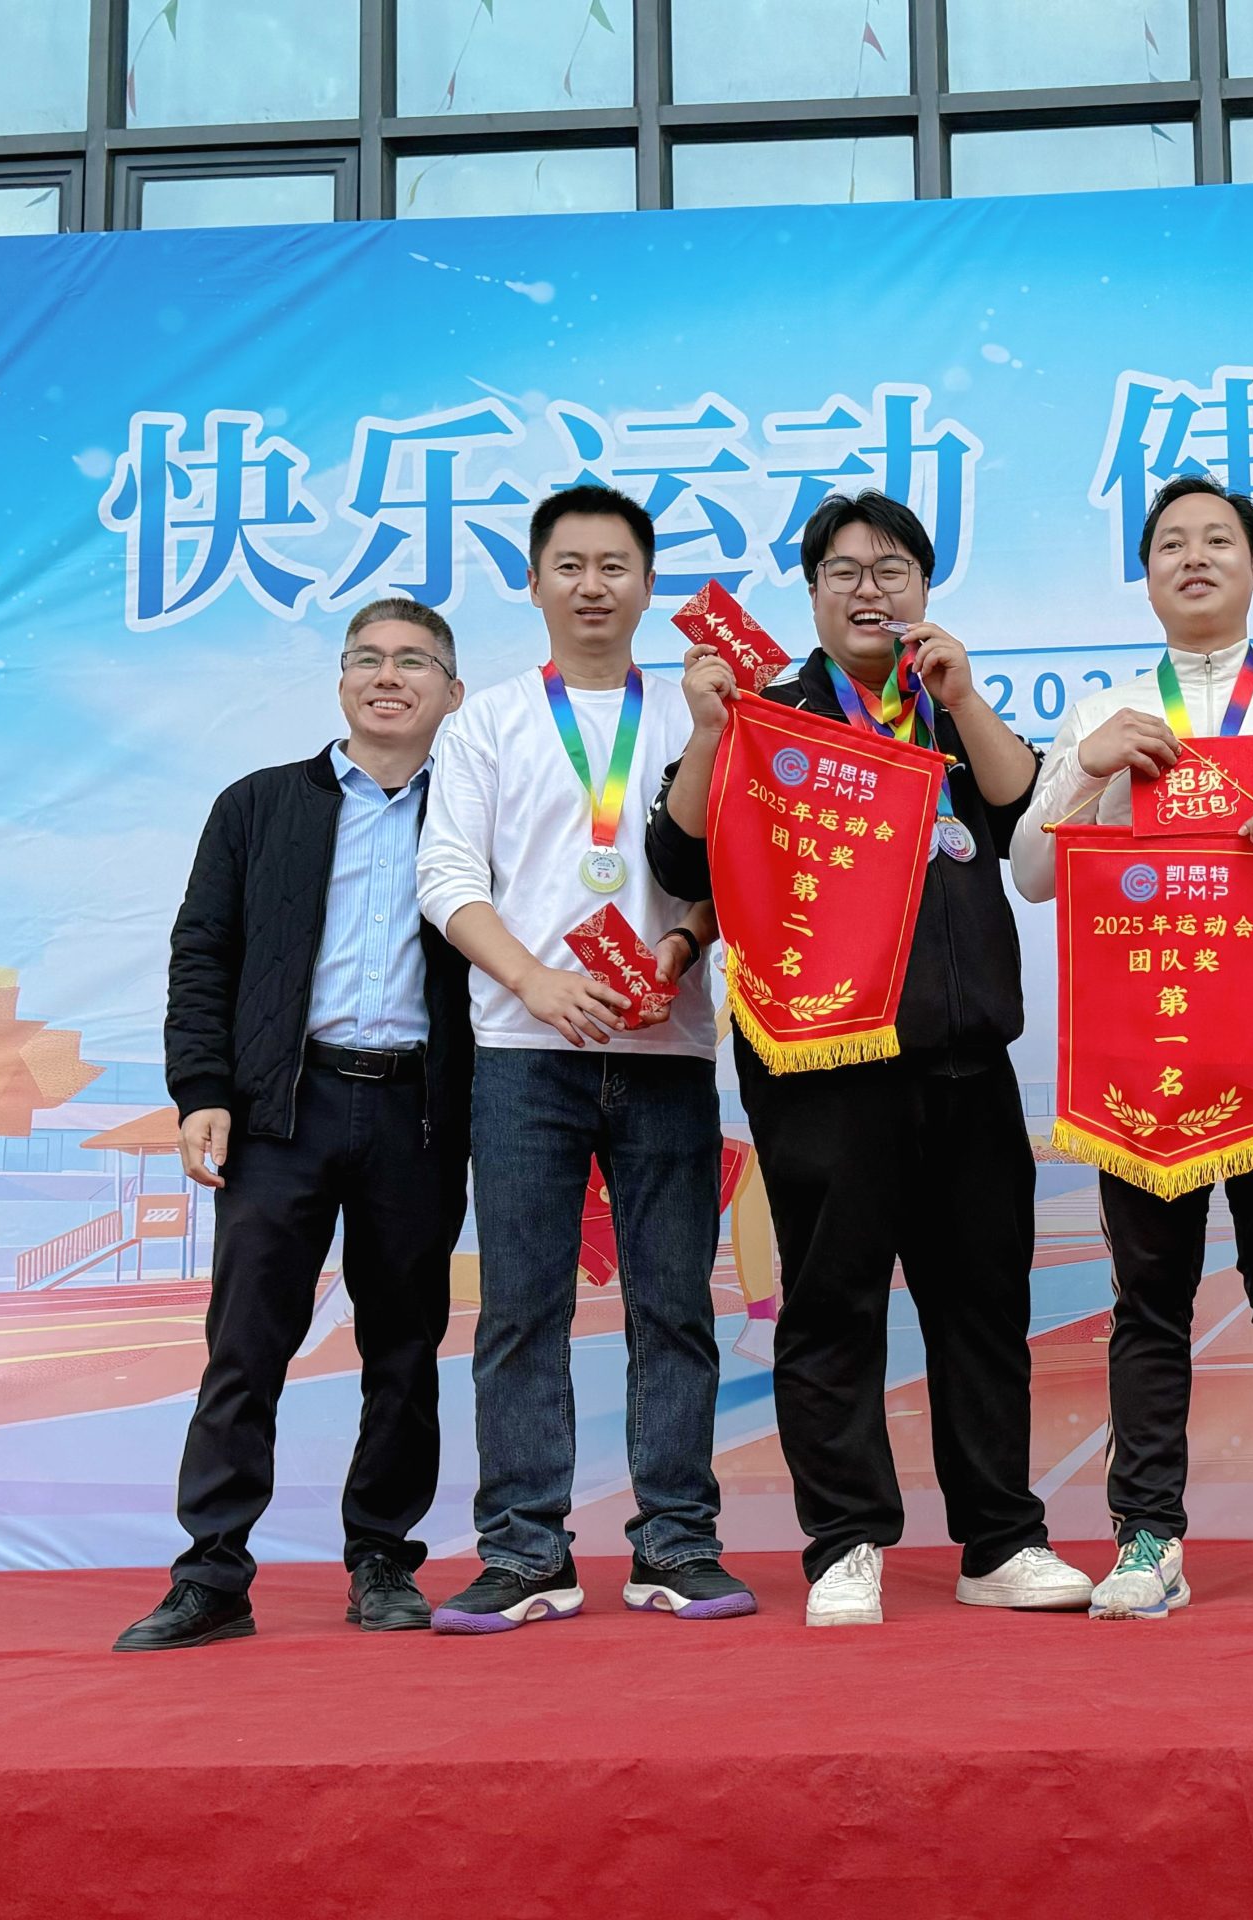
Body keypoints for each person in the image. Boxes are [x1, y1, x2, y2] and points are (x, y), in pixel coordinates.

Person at [650, 489, 1092, 1627]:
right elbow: (679, 856)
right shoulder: (767, 711)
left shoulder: (947, 707)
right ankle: (845, 1541)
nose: (868, 589)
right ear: (811, 593)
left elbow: (1028, 821)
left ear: (924, 588)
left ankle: (1001, 1541)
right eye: (843, 570)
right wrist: (709, 734)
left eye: (892, 569)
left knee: (981, 1309)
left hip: (965, 1060)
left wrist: (967, 699)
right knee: (832, 1307)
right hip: (821, 1066)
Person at [1010, 473, 1253, 1621]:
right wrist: (1085, 766)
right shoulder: (1105, 714)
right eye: (1170, 543)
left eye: (1217, 540)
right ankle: (1146, 1539)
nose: (1193, 557)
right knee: (1149, 1301)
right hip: (1139, 1053)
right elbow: (1032, 873)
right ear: (1145, 576)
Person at [417, 485, 749, 1632]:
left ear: (649, 585)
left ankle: (677, 1543)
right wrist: (535, 982)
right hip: (524, 1055)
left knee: (674, 1308)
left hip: (666, 1049)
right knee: (520, 1311)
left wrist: (679, 946)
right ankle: (525, 1552)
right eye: (570, 565)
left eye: (615, 565)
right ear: (533, 583)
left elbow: (726, 870)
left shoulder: (695, 714)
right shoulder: (489, 723)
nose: (593, 585)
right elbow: (447, 879)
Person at [117, 599, 473, 1652]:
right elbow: (202, 953)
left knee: (404, 1347)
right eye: (367, 658)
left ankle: (383, 1559)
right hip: (284, 1107)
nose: (388, 676)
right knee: (246, 1343)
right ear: (342, 681)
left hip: (417, 1109)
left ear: (452, 692)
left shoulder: (474, 815)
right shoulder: (257, 805)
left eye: (414, 661)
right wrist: (202, 1090)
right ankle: (211, 1573)